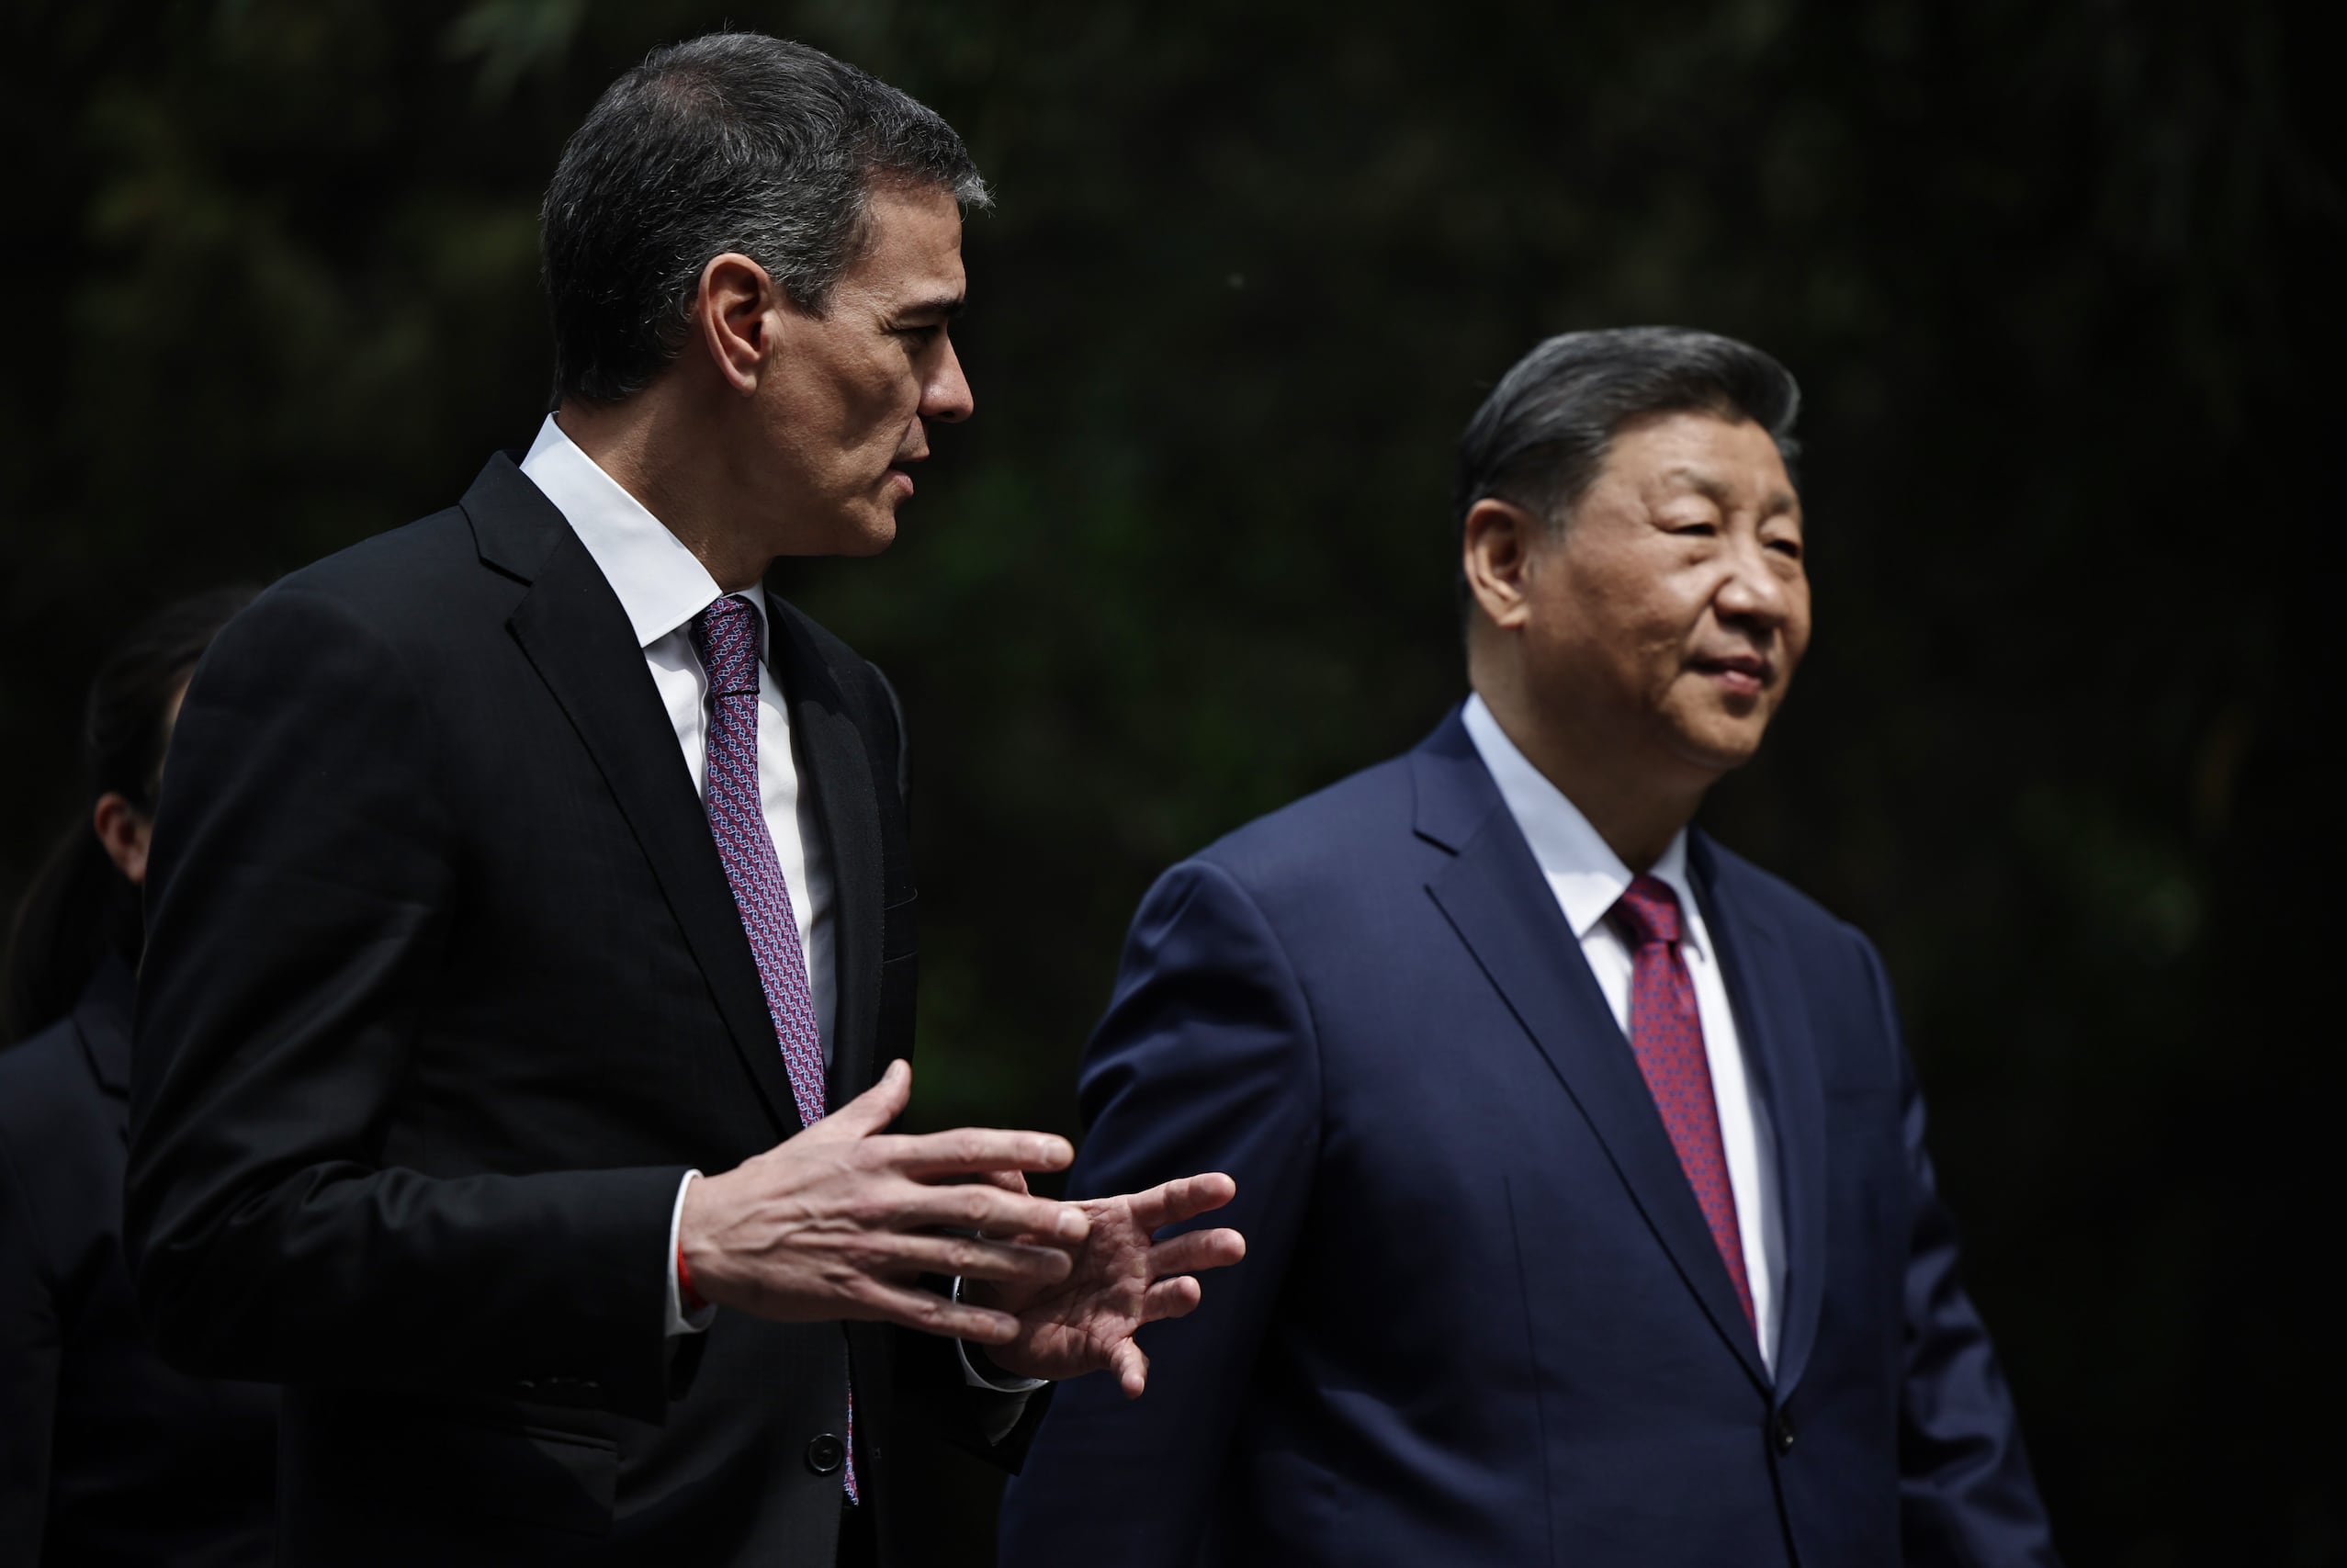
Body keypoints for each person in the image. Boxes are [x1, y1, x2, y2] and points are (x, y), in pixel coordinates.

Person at [122, 34, 1241, 1568]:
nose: (955, 392)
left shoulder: (846, 708)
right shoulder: (361, 656)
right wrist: (679, 1240)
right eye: (916, 333)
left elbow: (800, 1226)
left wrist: (976, 1311)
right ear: (740, 319)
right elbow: (221, 1242)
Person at [1000, 327, 2060, 1566]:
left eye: (1784, 544)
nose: (1760, 593)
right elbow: (1122, 1452)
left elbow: (1943, 1438)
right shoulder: (1280, 932)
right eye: (1696, 529)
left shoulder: (1828, 975)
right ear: (1505, 560)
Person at [0, 586, 276, 1565]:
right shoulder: (31, 1136)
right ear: (128, 835)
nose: (285, 822)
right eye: (229, 780)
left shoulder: (441, 1102)